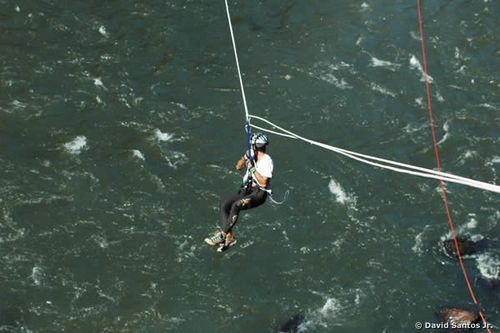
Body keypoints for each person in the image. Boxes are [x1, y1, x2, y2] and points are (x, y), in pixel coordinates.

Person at [205, 133, 273, 251]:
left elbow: (263, 183)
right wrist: (245, 158)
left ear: (255, 146)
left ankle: (222, 234)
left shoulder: (267, 161)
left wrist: (252, 168)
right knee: (224, 203)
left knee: (237, 205)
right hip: (246, 190)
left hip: (258, 193)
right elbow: (238, 167)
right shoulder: (251, 154)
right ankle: (229, 236)